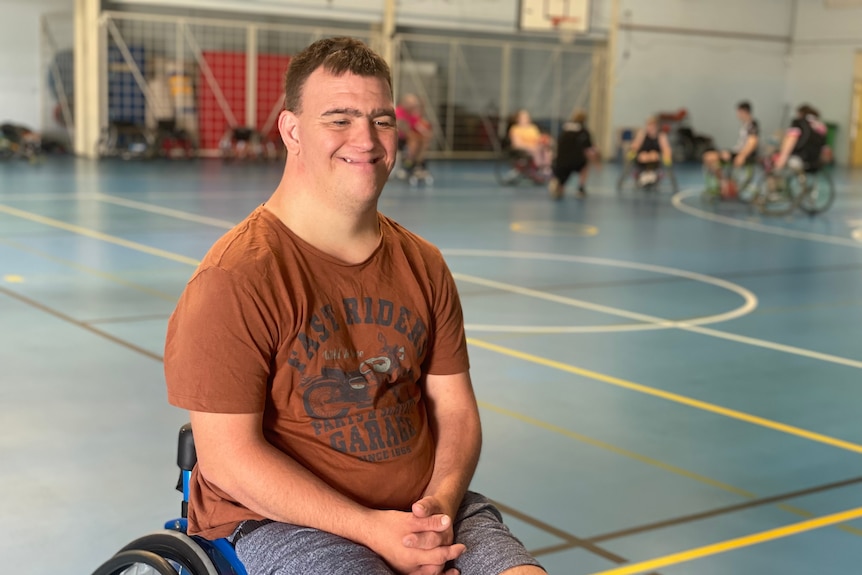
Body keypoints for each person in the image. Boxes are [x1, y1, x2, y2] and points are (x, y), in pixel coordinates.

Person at [164, 37, 544, 575]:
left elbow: (456, 412)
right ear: (292, 130)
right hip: (288, 523)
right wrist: (373, 530)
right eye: (339, 119)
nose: (365, 139)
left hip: (424, 508)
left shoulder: (424, 264)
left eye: (381, 120)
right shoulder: (236, 277)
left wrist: (436, 508)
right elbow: (229, 460)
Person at [549, 110, 597, 200]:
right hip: (576, 160)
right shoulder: (583, 130)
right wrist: (596, 161)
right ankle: (581, 188)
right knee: (584, 167)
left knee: (562, 177)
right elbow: (589, 148)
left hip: (561, 160)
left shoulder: (564, 127)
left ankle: (560, 187)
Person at [702, 101, 759, 174]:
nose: (737, 115)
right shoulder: (745, 125)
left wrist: (742, 156)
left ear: (744, 112)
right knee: (707, 157)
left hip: (742, 154)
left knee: (710, 157)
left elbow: (753, 142)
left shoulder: (752, 125)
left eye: (739, 112)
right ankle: (723, 181)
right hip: (736, 152)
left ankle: (724, 182)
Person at [774, 103, 827, 173]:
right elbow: (825, 151)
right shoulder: (821, 127)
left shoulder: (799, 123)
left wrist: (780, 162)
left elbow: (791, 140)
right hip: (815, 164)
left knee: (774, 159)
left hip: (798, 160)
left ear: (801, 113)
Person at [395, 93, 433, 179]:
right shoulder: (399, 112)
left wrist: (427, 134)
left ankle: (417, 164)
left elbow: (418, 126)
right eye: (413, 105)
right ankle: (409, 165)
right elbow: (403, 128)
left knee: (424, 141)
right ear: (405, 104)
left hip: (409, 138)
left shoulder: (412, 114)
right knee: (414, 141)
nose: (414, 106)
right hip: (398, 139)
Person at [628, 116, 672, 186]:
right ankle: (641, 174)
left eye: (653, 126)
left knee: (654, 155)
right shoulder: (642, 134)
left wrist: (666, 156)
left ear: (657, 126)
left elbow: (666, 148)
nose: (651, 128)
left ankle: (655, 174)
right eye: (649, 125)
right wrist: (633, 151)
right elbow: (635, 145)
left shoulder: (661, 136)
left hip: (656, 159)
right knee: (643, 156)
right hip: (642, 158)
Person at [508, 109, 552, 176]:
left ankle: (546, 167)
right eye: (523, 117)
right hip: (522, 148)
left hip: (535, 147)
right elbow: (517, 143)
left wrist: (544, 140)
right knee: (536, 150)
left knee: (546, 149)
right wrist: (530, 146)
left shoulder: (533, 128)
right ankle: (539, 166)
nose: (525, 119)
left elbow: (538, 138)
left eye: (526, 117)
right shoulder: (515, 129)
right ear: (518, 119)